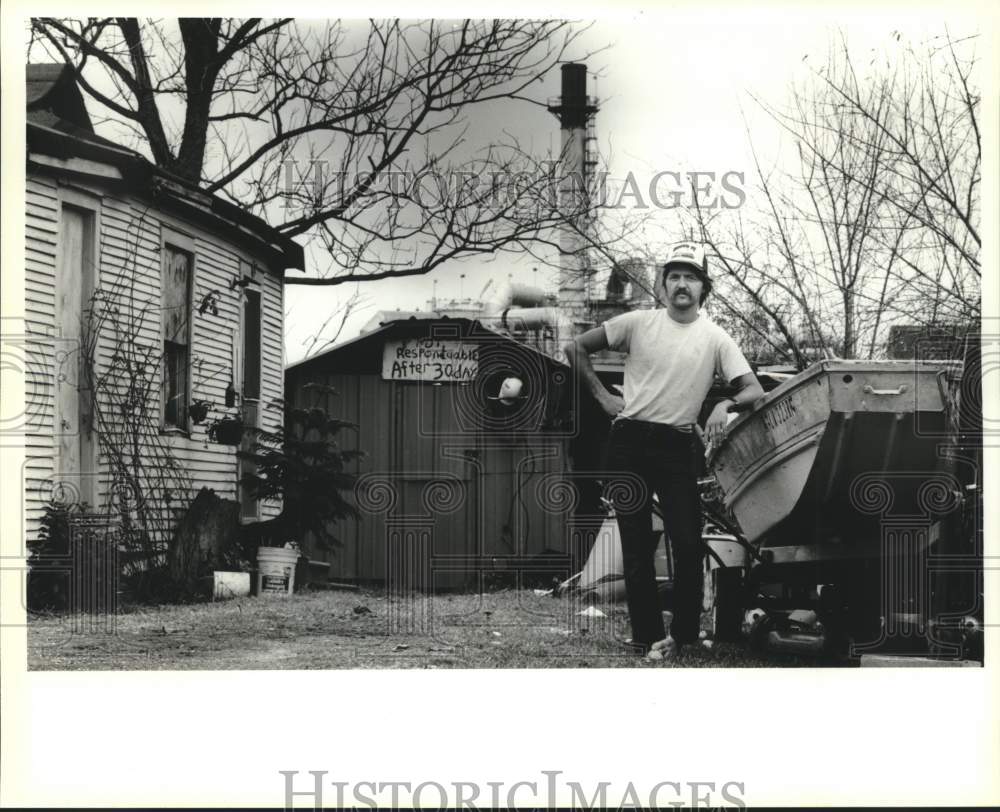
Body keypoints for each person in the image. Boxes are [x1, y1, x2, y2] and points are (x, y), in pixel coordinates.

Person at [563, 242, 763, 660]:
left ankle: (684, 634)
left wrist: (724, 404)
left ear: (704, 288)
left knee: (688, 543)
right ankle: (647, 638)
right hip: (630, 442)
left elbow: (754, 390)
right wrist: (601, 397)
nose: (681, 284)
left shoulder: (715, 338)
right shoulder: (637, 323)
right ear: (663, 284)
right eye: (674, 276)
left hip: (676, 446)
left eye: (690, 277)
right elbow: (575, 347)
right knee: (636, 546)